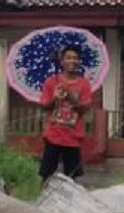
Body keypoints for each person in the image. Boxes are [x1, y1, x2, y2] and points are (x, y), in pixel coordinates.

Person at [38, 45, 94, 180]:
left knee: (71, 178)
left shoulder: (84, 84)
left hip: (73, 137)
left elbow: (84, 110)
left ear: (79, 61)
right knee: (46, 175)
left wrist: (69, 95)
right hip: (53, 136)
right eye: (68, 58)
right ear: (62, 61)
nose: (72, 61)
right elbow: (44, 107)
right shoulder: (51, 82)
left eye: (75, 58)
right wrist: (55, 99)